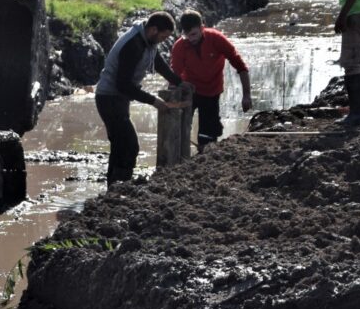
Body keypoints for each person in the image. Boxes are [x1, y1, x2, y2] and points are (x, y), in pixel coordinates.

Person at [95, 11, 187, 186]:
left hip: (118, 99)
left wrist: (178, 82)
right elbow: (124, 85)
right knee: (130, 146)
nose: (163, 40)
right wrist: (154, 101)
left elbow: (157, 61)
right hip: (110, 99)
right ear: (153, 30)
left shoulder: (147, 40)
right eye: (163, 36)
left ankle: (113, 189)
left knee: (119, 146)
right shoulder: (133, 45)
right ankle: (121, 187)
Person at [170, 10, 252, 152]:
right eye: (187, 35)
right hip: (190, 91)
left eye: (194, 34)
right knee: (180, 128)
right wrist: (171, 99)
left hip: (211, 91)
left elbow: (240, 66)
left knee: (207, 135)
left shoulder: (217, 39)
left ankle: (204, 156)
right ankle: (180, 159)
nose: (191, 39)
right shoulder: (180, 46)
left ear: (202, 27)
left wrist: (246, 95)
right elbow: (174, 76)